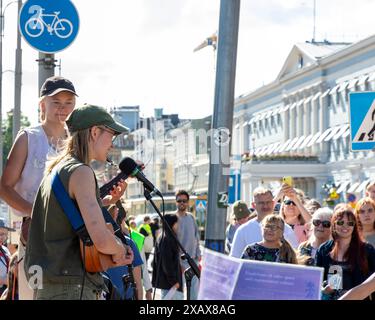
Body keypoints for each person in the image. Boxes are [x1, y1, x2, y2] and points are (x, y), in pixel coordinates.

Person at [24, 104, 134, 300]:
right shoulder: (81, 172)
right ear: (94, 132)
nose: (113, 143)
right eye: (112, 134)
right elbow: (100, 238)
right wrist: (120, 249)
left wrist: (104, 202)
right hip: (72, 288)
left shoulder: (55, 172)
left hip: (48, 286)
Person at [0, 76, 78, 300]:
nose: (63, 108)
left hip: (69, 239)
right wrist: (37, 212)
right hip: (32, 236)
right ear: (42, 104)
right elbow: (5, 187)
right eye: (56, 102)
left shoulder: (75, 143)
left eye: (68, 102)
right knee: (34, 296)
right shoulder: (29, 138)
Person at [316, 203, 375, 300]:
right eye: (340, 222)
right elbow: (316, 283)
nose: (345, 226)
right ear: (334, 224)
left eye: (350, 223)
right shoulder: (323, 250)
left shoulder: (367, 250)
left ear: (354, 226)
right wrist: (325, 290)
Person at [230, 187, 298, 259]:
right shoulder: (243, 230)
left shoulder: (286, 229)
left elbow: (294, 258)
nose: (265, 206)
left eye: (268, 202)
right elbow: (235, 259)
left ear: (273, 203)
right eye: (261, 203)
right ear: (253, 205)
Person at [174, 190, 201, 300]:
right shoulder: (172, 218)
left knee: (194, 293)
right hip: (178, 263)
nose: (182, 203)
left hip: (192, 261)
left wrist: (198, 256)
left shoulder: (191, 217)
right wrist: (176, 262)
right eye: (179, 200)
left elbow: (196, 237)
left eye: (184, 201)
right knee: (178, 293)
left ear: (188, 202)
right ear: (176, 202)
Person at [152, 213, 183, 300]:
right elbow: (166, 263)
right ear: (171, 223)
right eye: (177, 223)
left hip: (170, 284)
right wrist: (174, 281)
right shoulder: (166, 239)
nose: (178, 225)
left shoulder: (167, 236)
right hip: (170, 285)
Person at [0, 219, 15, 296]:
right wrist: (4, 281)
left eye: (5, 234)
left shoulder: (5, 249)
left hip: (6, 291)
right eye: (1, 234)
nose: (3, 237)